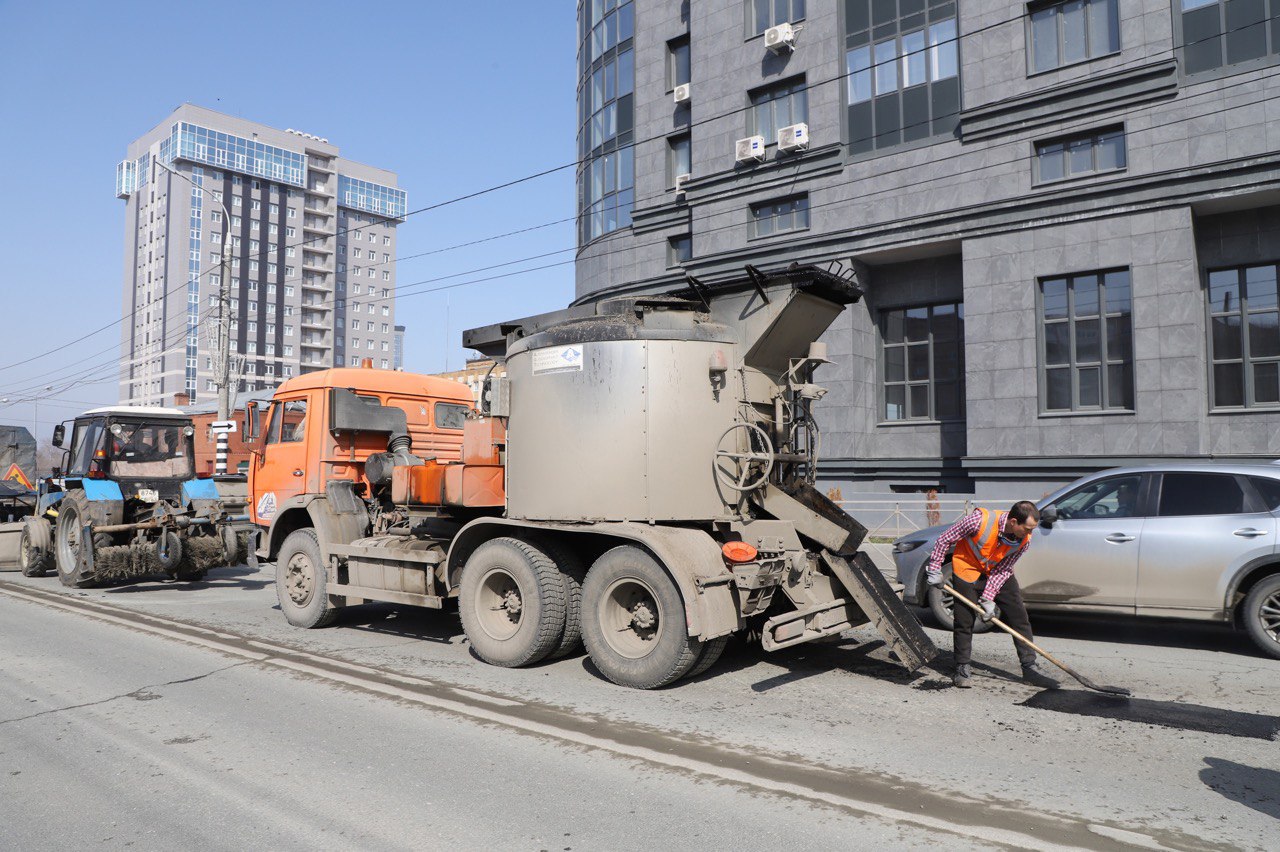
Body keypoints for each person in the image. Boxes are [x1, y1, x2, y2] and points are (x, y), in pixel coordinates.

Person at [924, 501, 1058, 689]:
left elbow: (1003, 568)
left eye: (1032, 530)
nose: (1030, 534)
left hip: (995, 570)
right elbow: (945, 538)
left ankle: (1029, 667)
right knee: (964, 620)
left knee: (1019, 616)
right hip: (967, 567)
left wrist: (988, 598)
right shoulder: (979, 521)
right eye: (1027, 529)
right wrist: (935, 568)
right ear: (1013, 521)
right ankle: (962, 667)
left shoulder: (1024, 541)